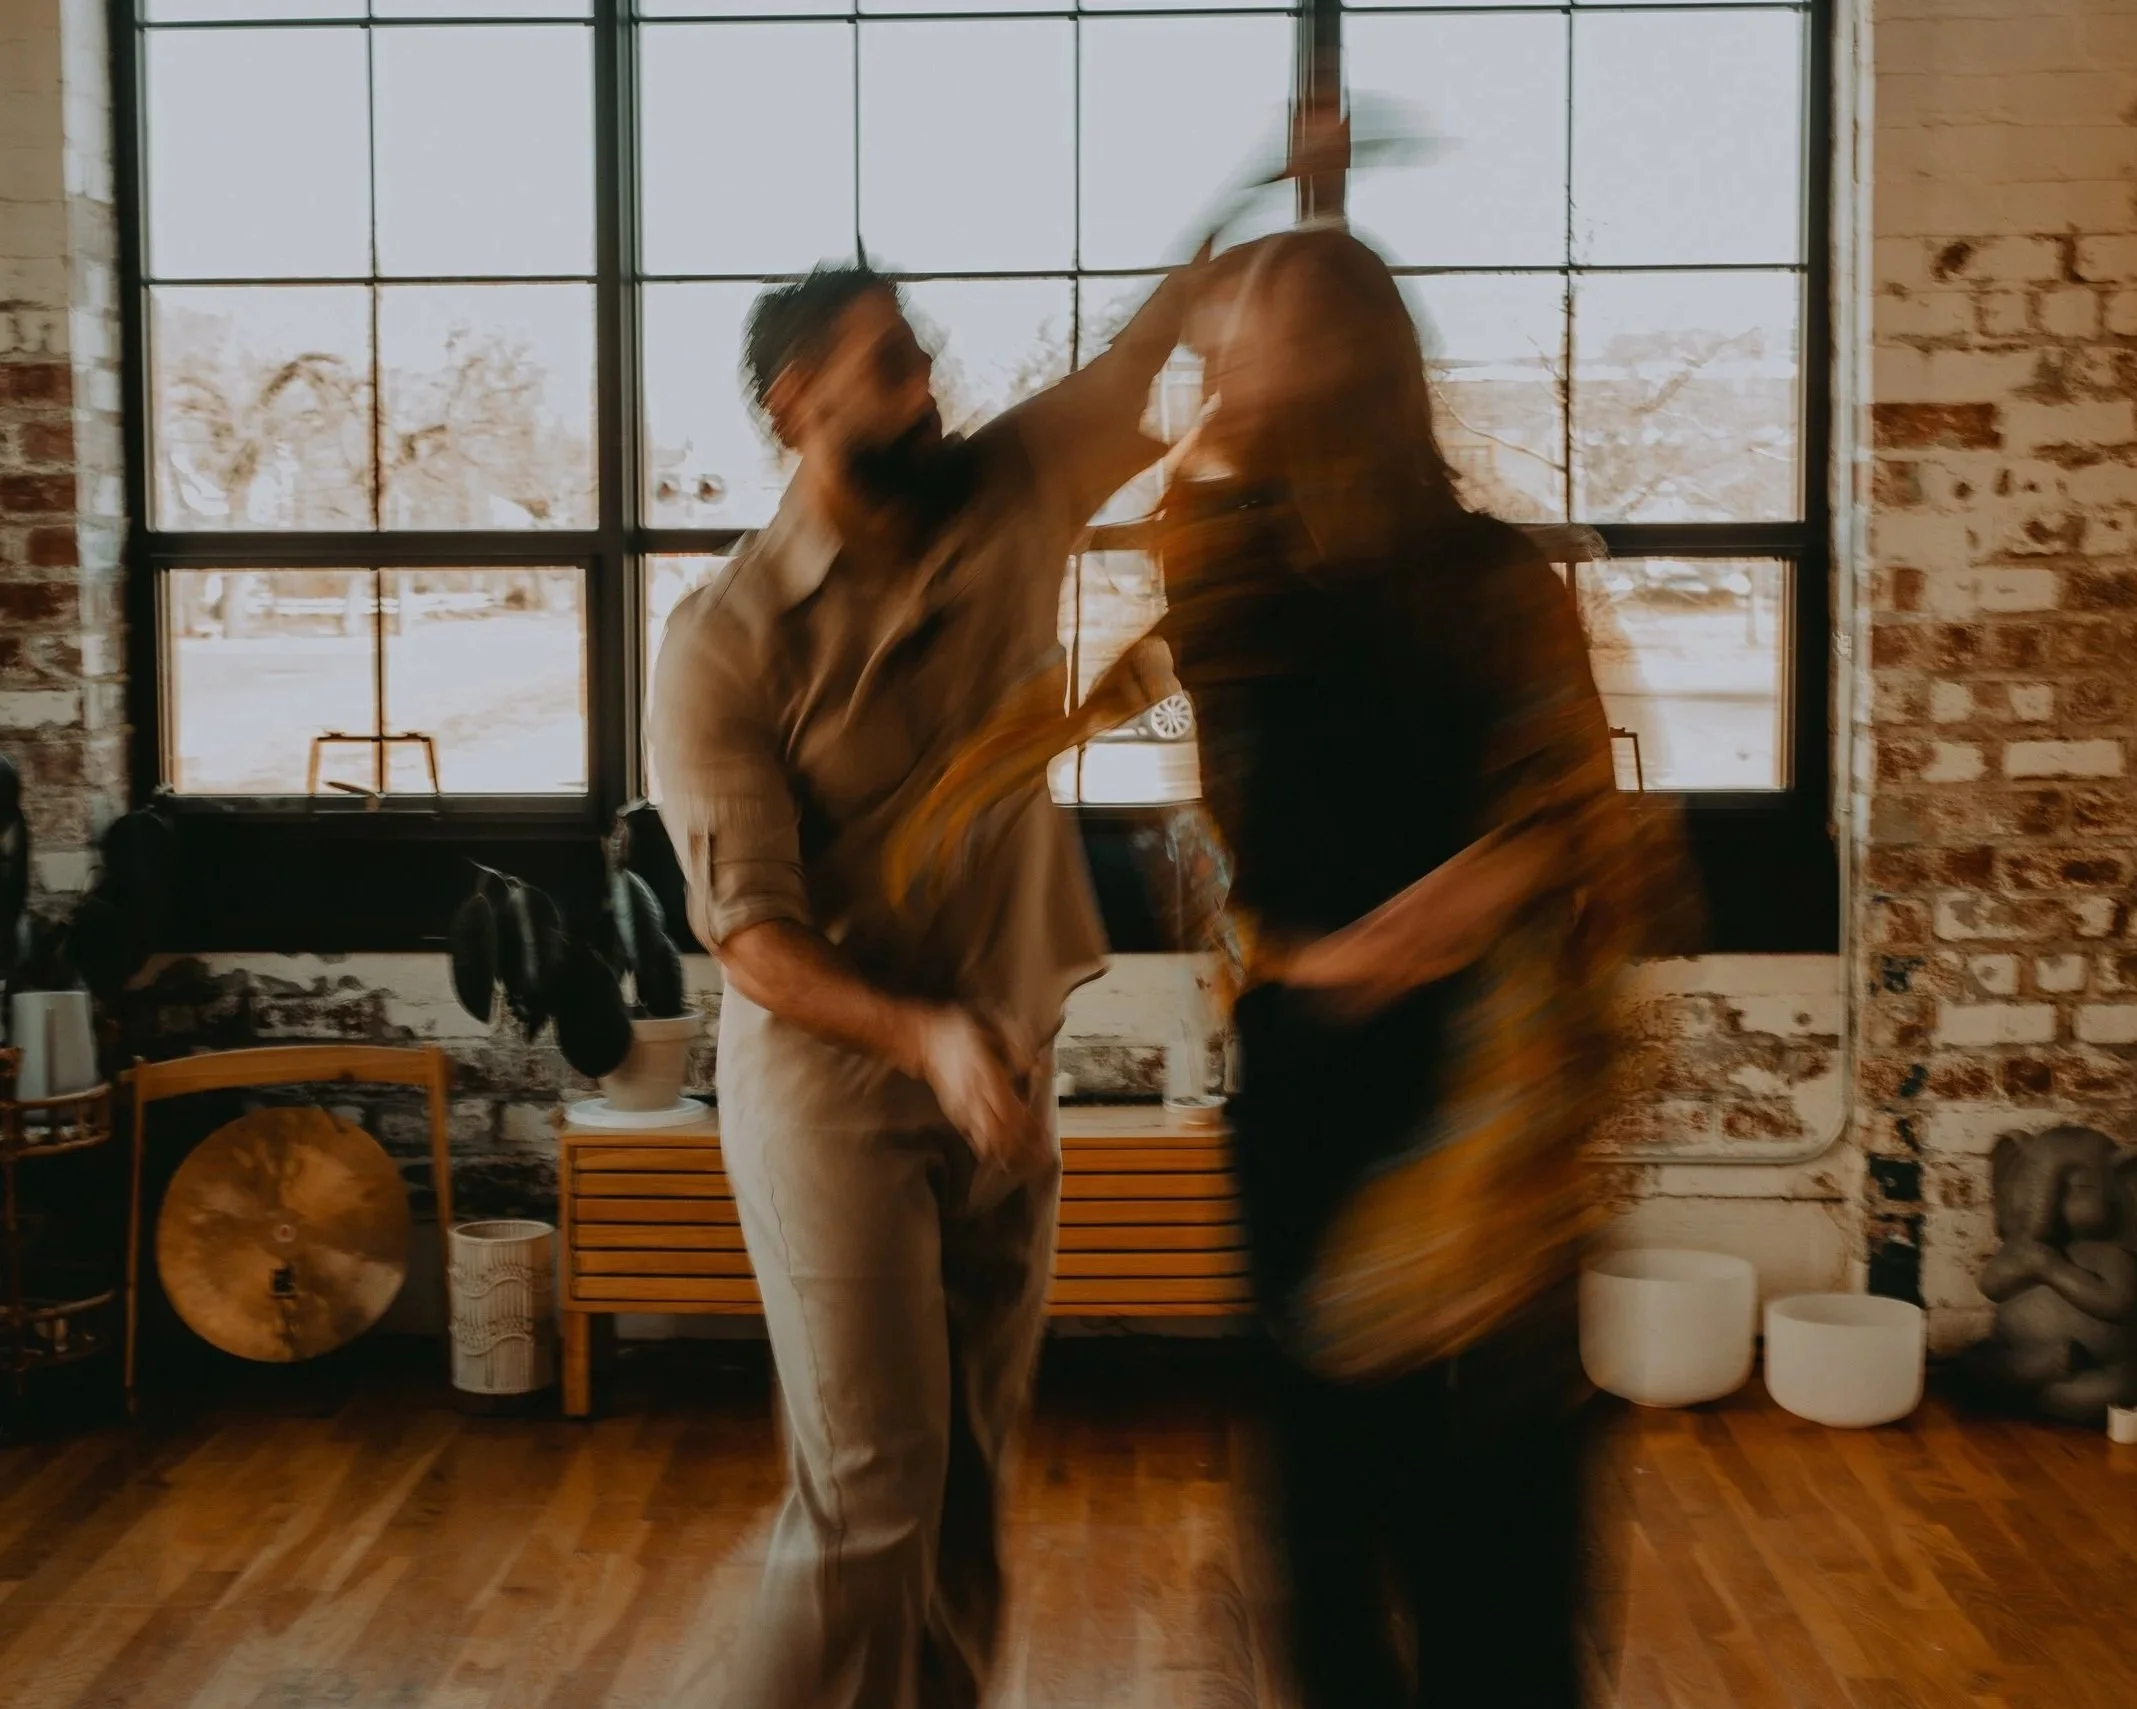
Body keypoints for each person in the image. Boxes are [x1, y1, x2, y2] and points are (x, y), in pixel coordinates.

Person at [889, 225, 1683, 1707]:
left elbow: (1572, 819)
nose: (1221, 381)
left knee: (1492, 1533)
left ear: (1350, 365)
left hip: (1478, 1085)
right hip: (1306, 1086)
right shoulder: (1231, 573)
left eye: (1255, 350)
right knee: (1325, 1517)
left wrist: (1414, 932)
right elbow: (1196, 771)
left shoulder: (1488, 577)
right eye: (1219, 357)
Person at [647, 258, 1198, 1709]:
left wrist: (1280, 201)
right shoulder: (723, 640)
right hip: (831, 1098)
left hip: (1001, 1079)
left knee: (964, 1492)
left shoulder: (1004, 497)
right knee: (872, 1499)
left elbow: (1144, 350)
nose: (927, 388)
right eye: (889, 363)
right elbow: (751, 937)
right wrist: (925, 1042)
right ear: (797, 401)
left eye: (922, 356)